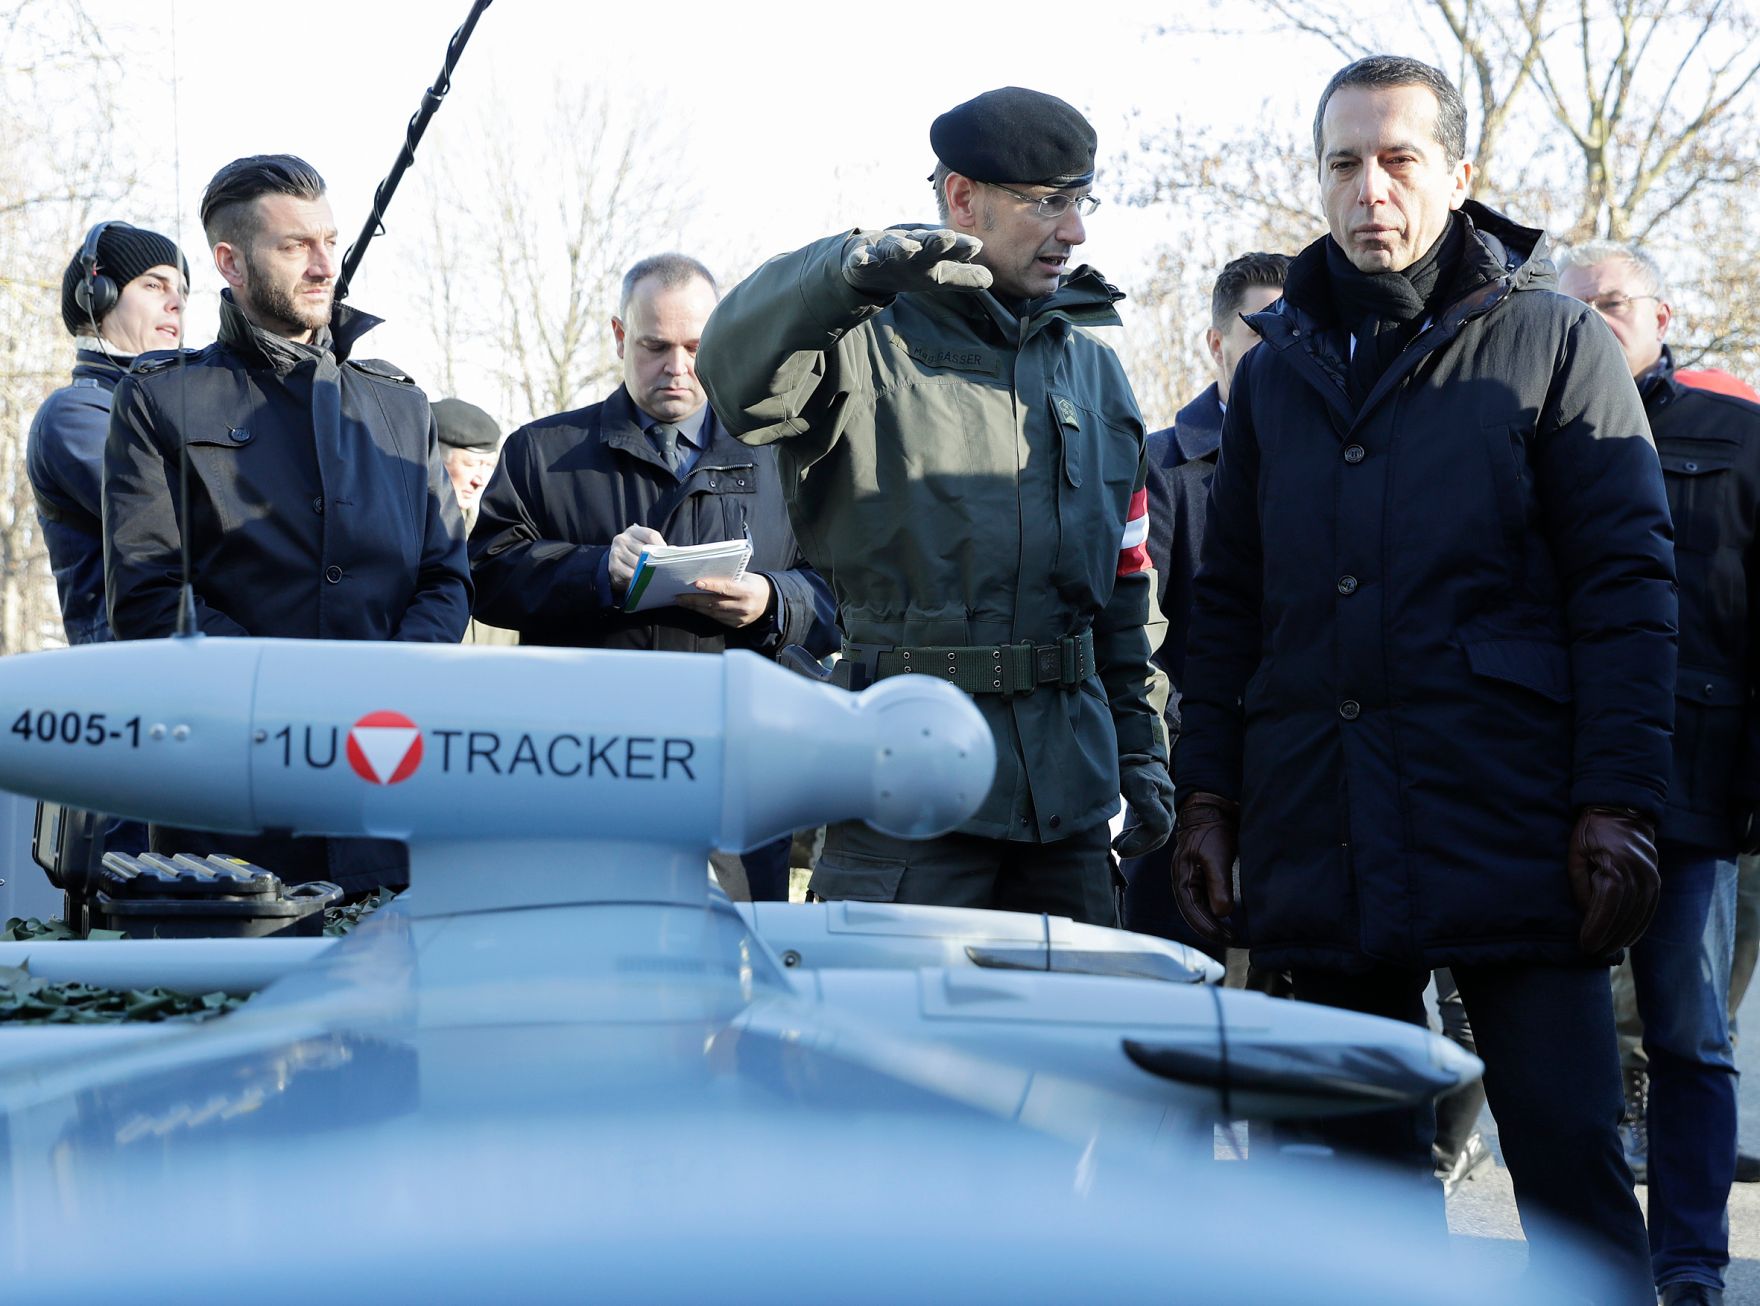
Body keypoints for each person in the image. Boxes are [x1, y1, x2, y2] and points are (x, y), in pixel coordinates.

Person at [1171, 56, 1671, 1300]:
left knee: (1565, 1163)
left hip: (1515, 824)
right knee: (1350, 1183)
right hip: (1322, 822)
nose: (1368, 190)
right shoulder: (1275, 369)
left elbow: (1625, 586)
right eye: (1342, 162)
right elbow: (1225, 606)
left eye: (1397, 159)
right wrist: (1208, 799)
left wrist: (1617, 798)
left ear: (1459, 173)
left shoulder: (1550, 339)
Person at [697, 86, 1171, 926]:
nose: (1076, 232)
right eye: (1051, 203)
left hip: (1066, 807)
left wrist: (1140, 753)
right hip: (905, 792)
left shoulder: (1094, 373)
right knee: (891, 1050)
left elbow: (1125, 589)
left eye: (1083, 200)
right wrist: (840, 272)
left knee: (1064, 1048)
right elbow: (734, 378)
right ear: (962, 197)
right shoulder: (857, 341)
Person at [104, 154, 470, 900]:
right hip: (229, 829)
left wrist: (386, 684)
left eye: (329, 241)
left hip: (390, 806)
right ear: (230, 263)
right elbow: (148, 599)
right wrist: (295, 699)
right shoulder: (161, 402)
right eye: (294, 245)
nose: (322, 264)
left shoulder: (400, 408)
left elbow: (446, 575)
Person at [469, 254, 836, 900]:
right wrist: (594, 571)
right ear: (618, 336)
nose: (677, 367)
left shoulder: (785, 456)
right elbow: (486, 576)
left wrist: (774, 601)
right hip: (584, 777)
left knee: (733, 970)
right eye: (654, 346)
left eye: (695, 346)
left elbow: (845, 590)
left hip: (738, 779)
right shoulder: (541, 453)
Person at [1559, 240, 1760, 1303]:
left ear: (1663, 315)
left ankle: (1687, 1258)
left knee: (1687, 1031)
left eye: (1611, 304)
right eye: (1571, 310)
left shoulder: (1741, 435)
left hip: (1693, 783)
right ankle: (1590, 1260)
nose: (1592, 324)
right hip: (1543, 781)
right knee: (1560, 1035)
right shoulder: (1519, 431)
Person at [1123, 251, 1288, 950]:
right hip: (1188, 780)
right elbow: (1137, 638)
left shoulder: (1346, 466)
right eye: (1261, 337)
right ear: (1217, 345)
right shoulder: (1160, 469)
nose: (1281, 356)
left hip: (1307, 782)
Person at [29, 222, 188, 647]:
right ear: (98, 297)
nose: (176, 303)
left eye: (182, 292)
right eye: (155, 284)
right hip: (130, 679)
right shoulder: (75, 415)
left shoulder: (177, 408)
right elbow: (188, 522)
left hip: (200, 659)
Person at [432, 397, 517, 647]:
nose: (480, 480)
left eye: (488, 466)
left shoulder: (495, 532)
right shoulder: (408, 533)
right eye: (470, 464)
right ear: (433, 458)